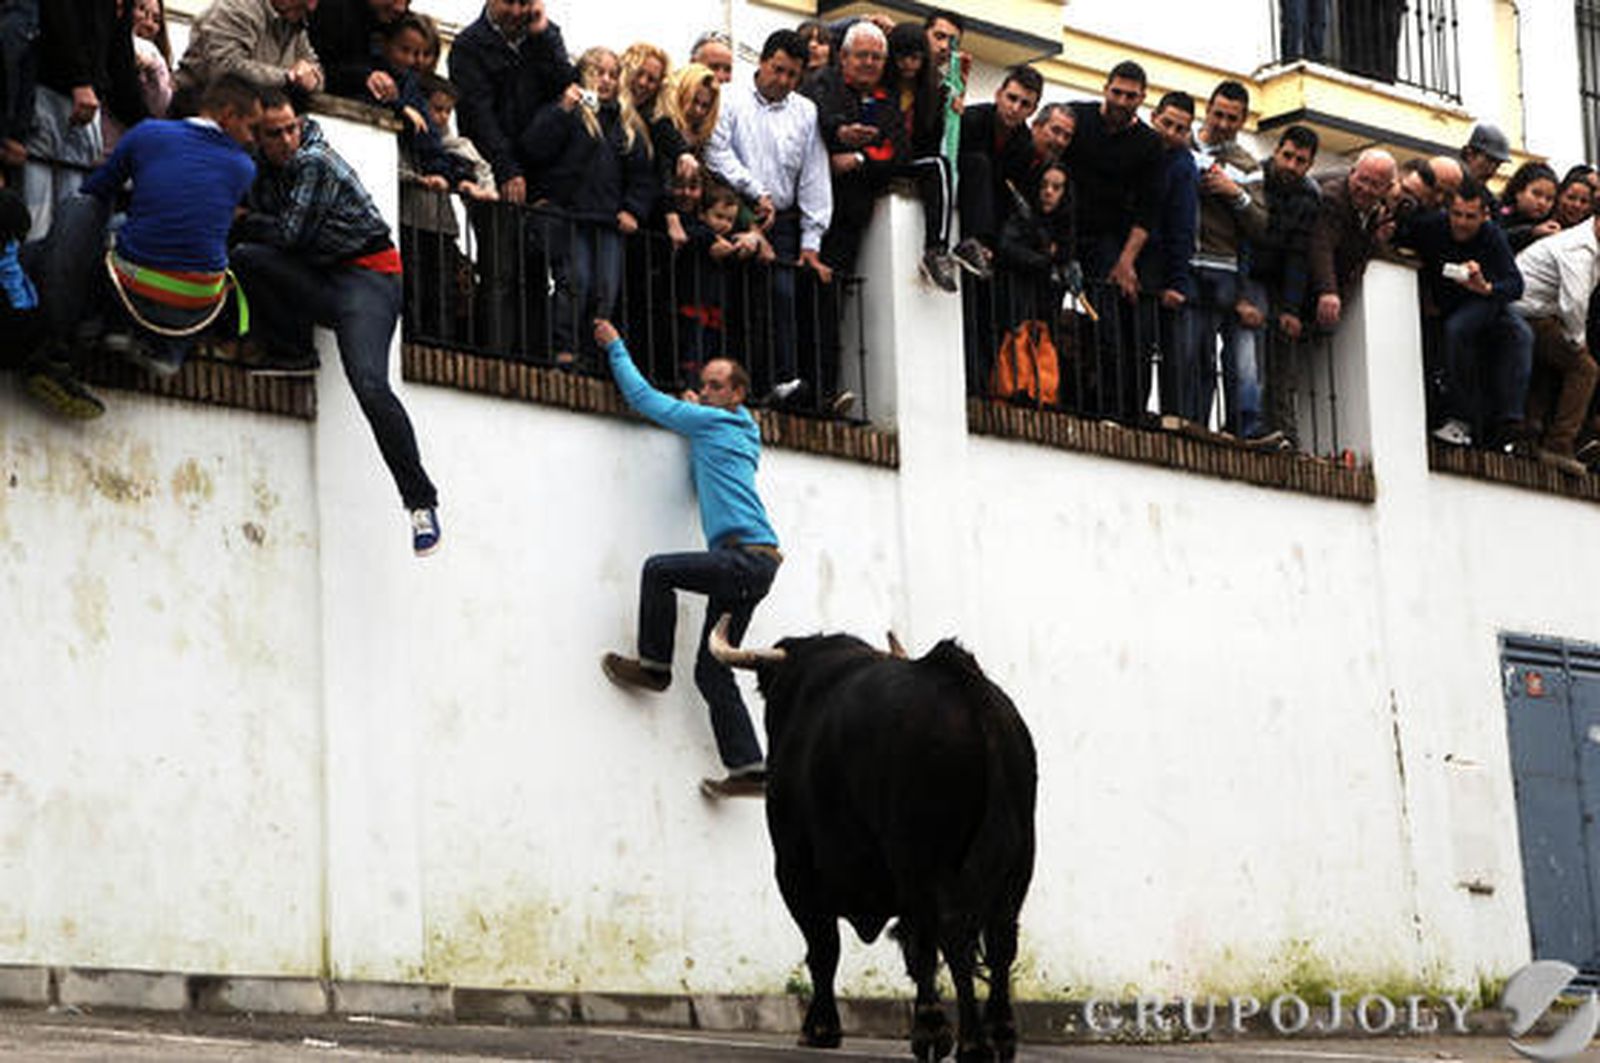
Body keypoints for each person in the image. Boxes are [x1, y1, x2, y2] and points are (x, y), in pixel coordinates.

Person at [232, 94, 443, 554]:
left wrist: (248, 220)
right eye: (274, 134)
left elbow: (289, 235)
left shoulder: (313, 161)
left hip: (370, 279)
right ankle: (292, 352)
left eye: (291, 128)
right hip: (325, 276)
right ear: (258, 137)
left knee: (369, 383)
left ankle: (420, 502)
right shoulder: (256, 164)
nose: (287, 139)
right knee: (247, 259)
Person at [596, 316, 781, 800]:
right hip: (755, 565)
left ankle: (654, 666)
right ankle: (749, 768)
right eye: (704, 384)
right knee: (711, 667)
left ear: (737, 393)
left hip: (744, 561)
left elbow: (642, 399)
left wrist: (615, 346)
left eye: (717, 385)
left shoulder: (714, 421)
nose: (707, 390)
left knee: (659, 570)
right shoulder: (743, 428)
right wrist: (698, 407)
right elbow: (705, 425)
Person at [31, 73, 260, 382]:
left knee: (94, 214)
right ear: (229, 116)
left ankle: (98, 326)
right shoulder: (244, 167)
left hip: (136, 290)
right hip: (198, 306)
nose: (252, 139)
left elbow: (97, 190)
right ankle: (169, 353)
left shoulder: (148, 133)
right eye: (251, 128)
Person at [703, 28, 831, 402]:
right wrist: (754, 190)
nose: (784, 81)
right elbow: (717, 152)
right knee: (733, 298)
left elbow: (813, 176)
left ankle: (781, 381)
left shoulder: (806, 112)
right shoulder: (728, 99)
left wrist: (812, 240)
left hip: (785, 220)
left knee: (782, 297)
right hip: (737, 211)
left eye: (793, 75)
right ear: (761, 62)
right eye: (778, 70)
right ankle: (733, 384)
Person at [448, 0, 574, 355]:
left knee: (536, 273)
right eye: (511, 2)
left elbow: (565, 84)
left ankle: (533, 357)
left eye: (525, 1)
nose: (518, 11)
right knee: (501, 270)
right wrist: (507, 168)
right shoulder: (469, 46)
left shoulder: (543, 38)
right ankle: (499, 355)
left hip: (541, 176)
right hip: (492, 173)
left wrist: (545, 34)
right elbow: (478, 115)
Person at [520, 45, 656, 369]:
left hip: (609, 219)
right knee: (575, 280)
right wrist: (562, 109)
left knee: (606, 289)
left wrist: (633, 209)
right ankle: (565, 346)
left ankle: (595, 354)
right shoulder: (569, 112)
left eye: (613, 74)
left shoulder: (627, 123)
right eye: (599, 73)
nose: (606, 81)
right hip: (571, 214)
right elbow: (534, 147)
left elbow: (642, 175)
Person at [1062, 59, 1164, 422]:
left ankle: (1115, 408)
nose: (1122, 101)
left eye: (1131, 96)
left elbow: (1148, 211)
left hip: (1108, 240)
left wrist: (1126, 262)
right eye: (1117, 92)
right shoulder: (1077, 118)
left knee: (1110, 326)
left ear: (1142, 99)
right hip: (1063, 229)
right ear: (1105, 89)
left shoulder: (1150, 145)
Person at [1405, 179, 1530, 451]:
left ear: (1484, 216)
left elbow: (1515, 285)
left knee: (1519, 334)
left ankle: (1511, 418)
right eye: (1457, 215)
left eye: (1470, 217)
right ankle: (1462, 414)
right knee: (1456, 331)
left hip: (1482, 300)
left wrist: (1486, 287)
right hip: (1448, 302)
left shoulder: (1491, 235)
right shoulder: (1433, 226)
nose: (1461, 223)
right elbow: (1403, 233)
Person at [1188, 80, 1271, 441]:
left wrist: (1234, 193)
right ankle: (1195, 423)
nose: (1222, 123)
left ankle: (1246, 427)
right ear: (1208, 108)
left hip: (1226, 265)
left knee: (1241, 359)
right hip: (1189, 261)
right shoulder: (1182, 144)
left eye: (1231, 118)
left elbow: (1261, 224)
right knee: (1194, 350)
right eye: (1218, 114)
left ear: (1242, 121)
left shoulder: (1247, 164)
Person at [24, 0, 146, 240]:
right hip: (51, 90)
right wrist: (78, 80)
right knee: (37, 216)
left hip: (85, 101)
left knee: (71, 221)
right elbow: (59, 13)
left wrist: (151, 126)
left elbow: (120, 62)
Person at [1512, 211, 1600, 475]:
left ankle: (1532, 430)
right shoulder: (1579, 250)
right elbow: (1574, 302)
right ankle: (1558, 444)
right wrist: (1577, 341)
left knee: (1557, 355)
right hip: (1526, 313)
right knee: (1585, 368)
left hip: (1540, 312)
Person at [1251, 124, 1321, 446]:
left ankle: (1284, 433)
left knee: (1281, 363)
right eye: (1287, 156)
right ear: (1276, 152)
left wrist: (1292, 307)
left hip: (1280, 280)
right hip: (1249, 273)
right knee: (1249, 358)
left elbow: (1300, 254)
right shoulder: (1254, 177)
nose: (1291, 165)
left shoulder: (1309, 197)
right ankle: (1249, 425)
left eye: (1300, 160)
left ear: (1309, 165)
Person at [885, 21, 958, 291]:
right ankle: (936, 249)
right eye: (902, 57)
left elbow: (930, 142)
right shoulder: (881, 86)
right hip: (880, 158)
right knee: (939, 166)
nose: (908, 64)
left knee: (940, 165)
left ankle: (936, 249)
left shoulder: (932, 93)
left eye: (915, 58)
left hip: (909, 161)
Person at [1138, 90, 1197, 420]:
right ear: (1154, 117)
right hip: (1133, 257)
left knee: (1163, 343)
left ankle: (1171, 415)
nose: (1171, 133)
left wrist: (1176, 281)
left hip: (1161, 263)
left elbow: (1182, 226)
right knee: (1137, 342)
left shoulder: (1184, 166)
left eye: (1180, 128)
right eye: (1167, 124)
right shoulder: (1140, 150)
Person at [950, 64, 1041, 279]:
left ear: (1033, 110)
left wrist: (989, 242)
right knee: (979, 162)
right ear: (999, 95)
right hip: (958, 190)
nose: (1015, 108)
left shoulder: (1025, 146)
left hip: (989, 213)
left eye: (1025, 104)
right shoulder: (972, 118)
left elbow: (1006, 195)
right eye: (1012, 98)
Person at [173, 0, 323, 109]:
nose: (312, 6)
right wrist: (288, 77)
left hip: (249, 123)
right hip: (199, 111)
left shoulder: (294, 21)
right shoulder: (237, 7)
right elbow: (226, 68)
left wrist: (312, 79)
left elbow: (314, 69)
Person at [1308, 148, 1396, 331]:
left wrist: (1379, 240)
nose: (1365, 189)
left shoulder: (1377, 212)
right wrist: (1328, 292)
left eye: (1375, 184)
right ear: (1352, 172)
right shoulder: (1332, 197)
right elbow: (1320, 244)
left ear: (1387, 189)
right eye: (1362, 179)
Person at [309, 0, 409, 101]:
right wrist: (364, 77)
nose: (401, 8)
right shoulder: (334, 9)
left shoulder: (388, 21)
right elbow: (321, 68)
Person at [1497, 161, 1560, 253]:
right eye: (1536, 194)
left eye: (1549, 199)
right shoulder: (1498, 214)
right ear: (1518, 191)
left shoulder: (1550, 227)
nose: (1542, 202)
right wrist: (1532, 233)